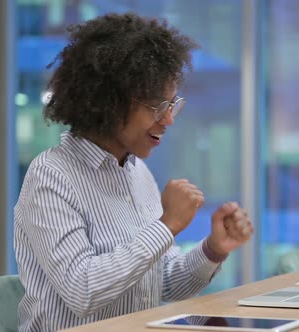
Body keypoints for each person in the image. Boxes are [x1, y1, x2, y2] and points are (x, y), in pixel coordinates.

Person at [14, 12, 254, 331]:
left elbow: (164, 284)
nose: (168, 120)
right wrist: (167, 225)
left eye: (171, 105)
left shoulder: (136, 172)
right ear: (109, 101)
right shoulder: (51, 175)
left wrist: (213, 249)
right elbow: (82, 290)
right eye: (156, 106)